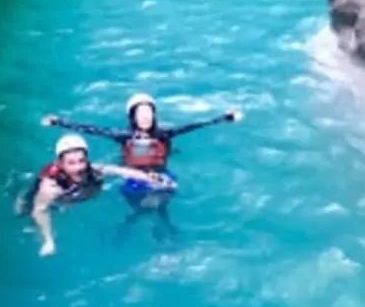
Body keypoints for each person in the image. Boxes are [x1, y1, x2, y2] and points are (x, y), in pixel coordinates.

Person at [43, 95, 243, 235]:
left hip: (160, 176)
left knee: (161, 204)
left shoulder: (164, 135)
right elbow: (93, 130)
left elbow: (193, 126)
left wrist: (225, 118)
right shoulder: (124, 137)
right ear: (133, 117)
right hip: (133, 179)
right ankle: (135, 223)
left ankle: (156, 226)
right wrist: (60, 123)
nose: (145, 116)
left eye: (149, 112)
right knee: (145, 207)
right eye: (140, 113)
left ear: (154, 115)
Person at [22, 134, 162, 256]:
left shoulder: (93, 170)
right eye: (71, 163)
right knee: (22, 212)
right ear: (60, 164)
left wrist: (149, 178)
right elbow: (39, 211)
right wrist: (48, 241)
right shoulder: (51, 187)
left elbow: (120, 171)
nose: (78, 168)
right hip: (47, 200)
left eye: (81, 161)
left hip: (77, 196)